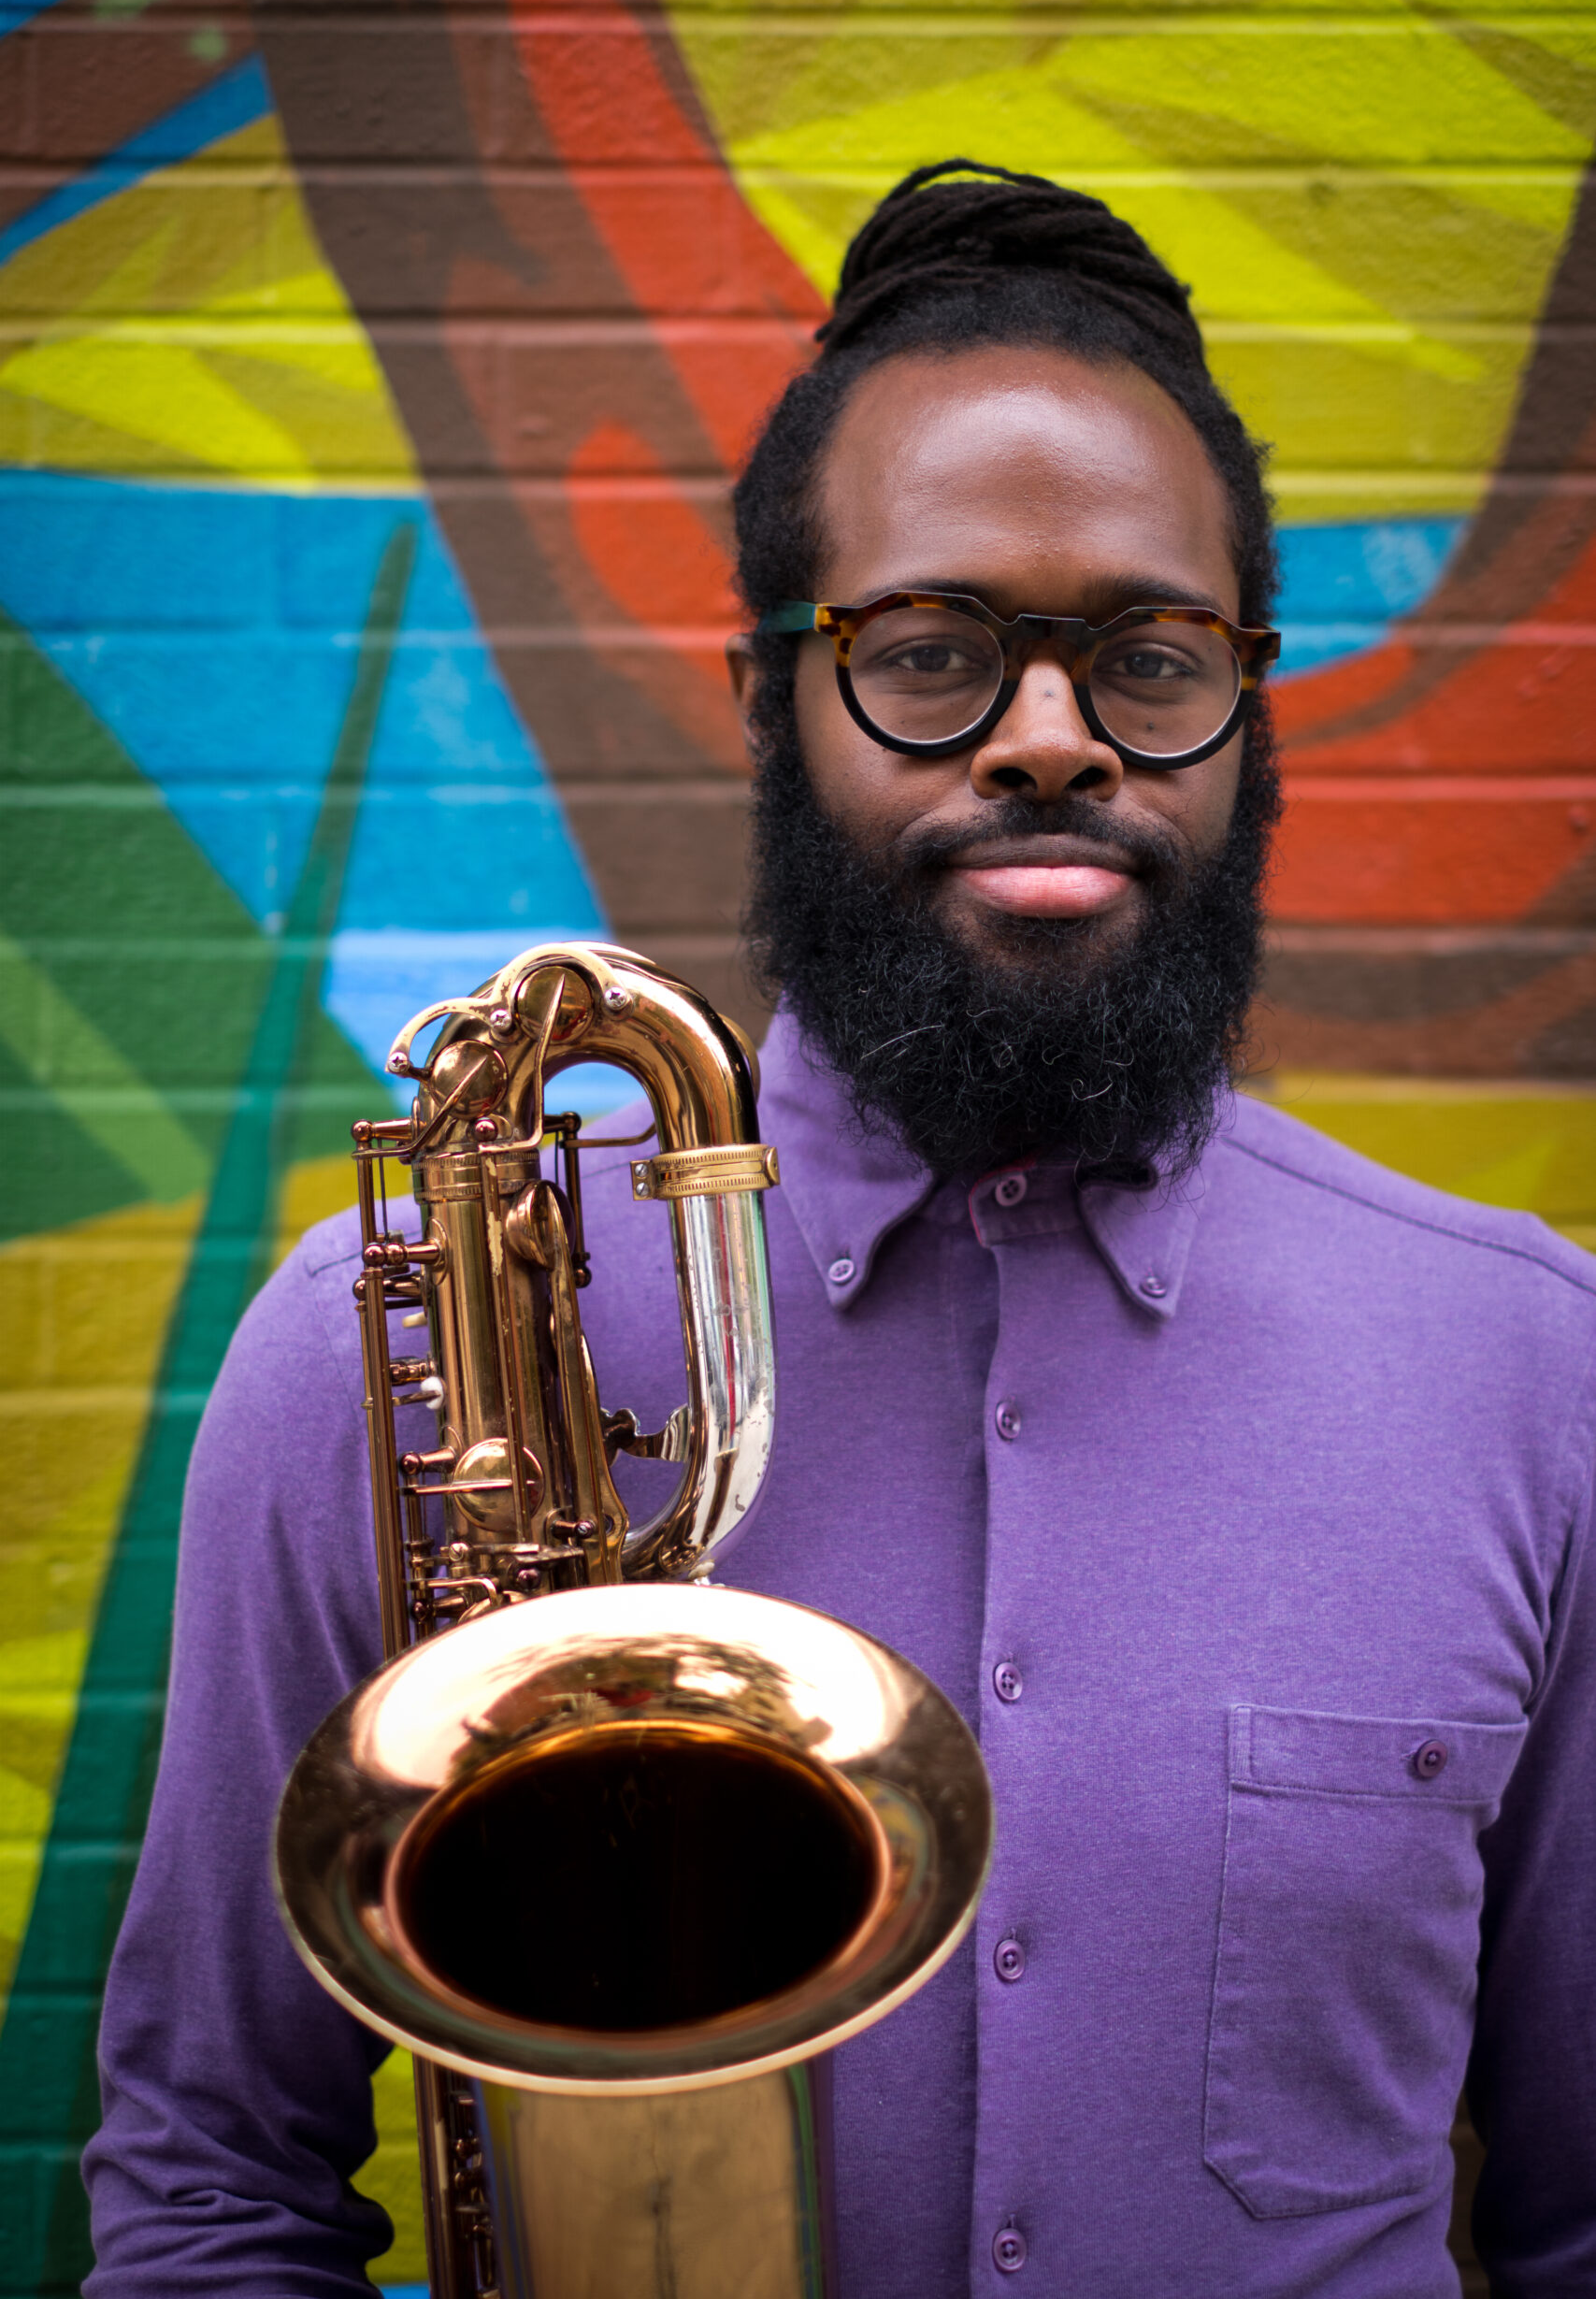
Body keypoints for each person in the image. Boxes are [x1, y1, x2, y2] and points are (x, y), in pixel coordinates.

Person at [85, 162, 1596, 2297]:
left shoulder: (1534, 1368)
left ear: (1248, 710)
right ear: (762, 698)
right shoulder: (397, 1344)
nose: (1052, 741)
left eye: (1152, 661)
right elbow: (213, 2185)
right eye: (932, 654)